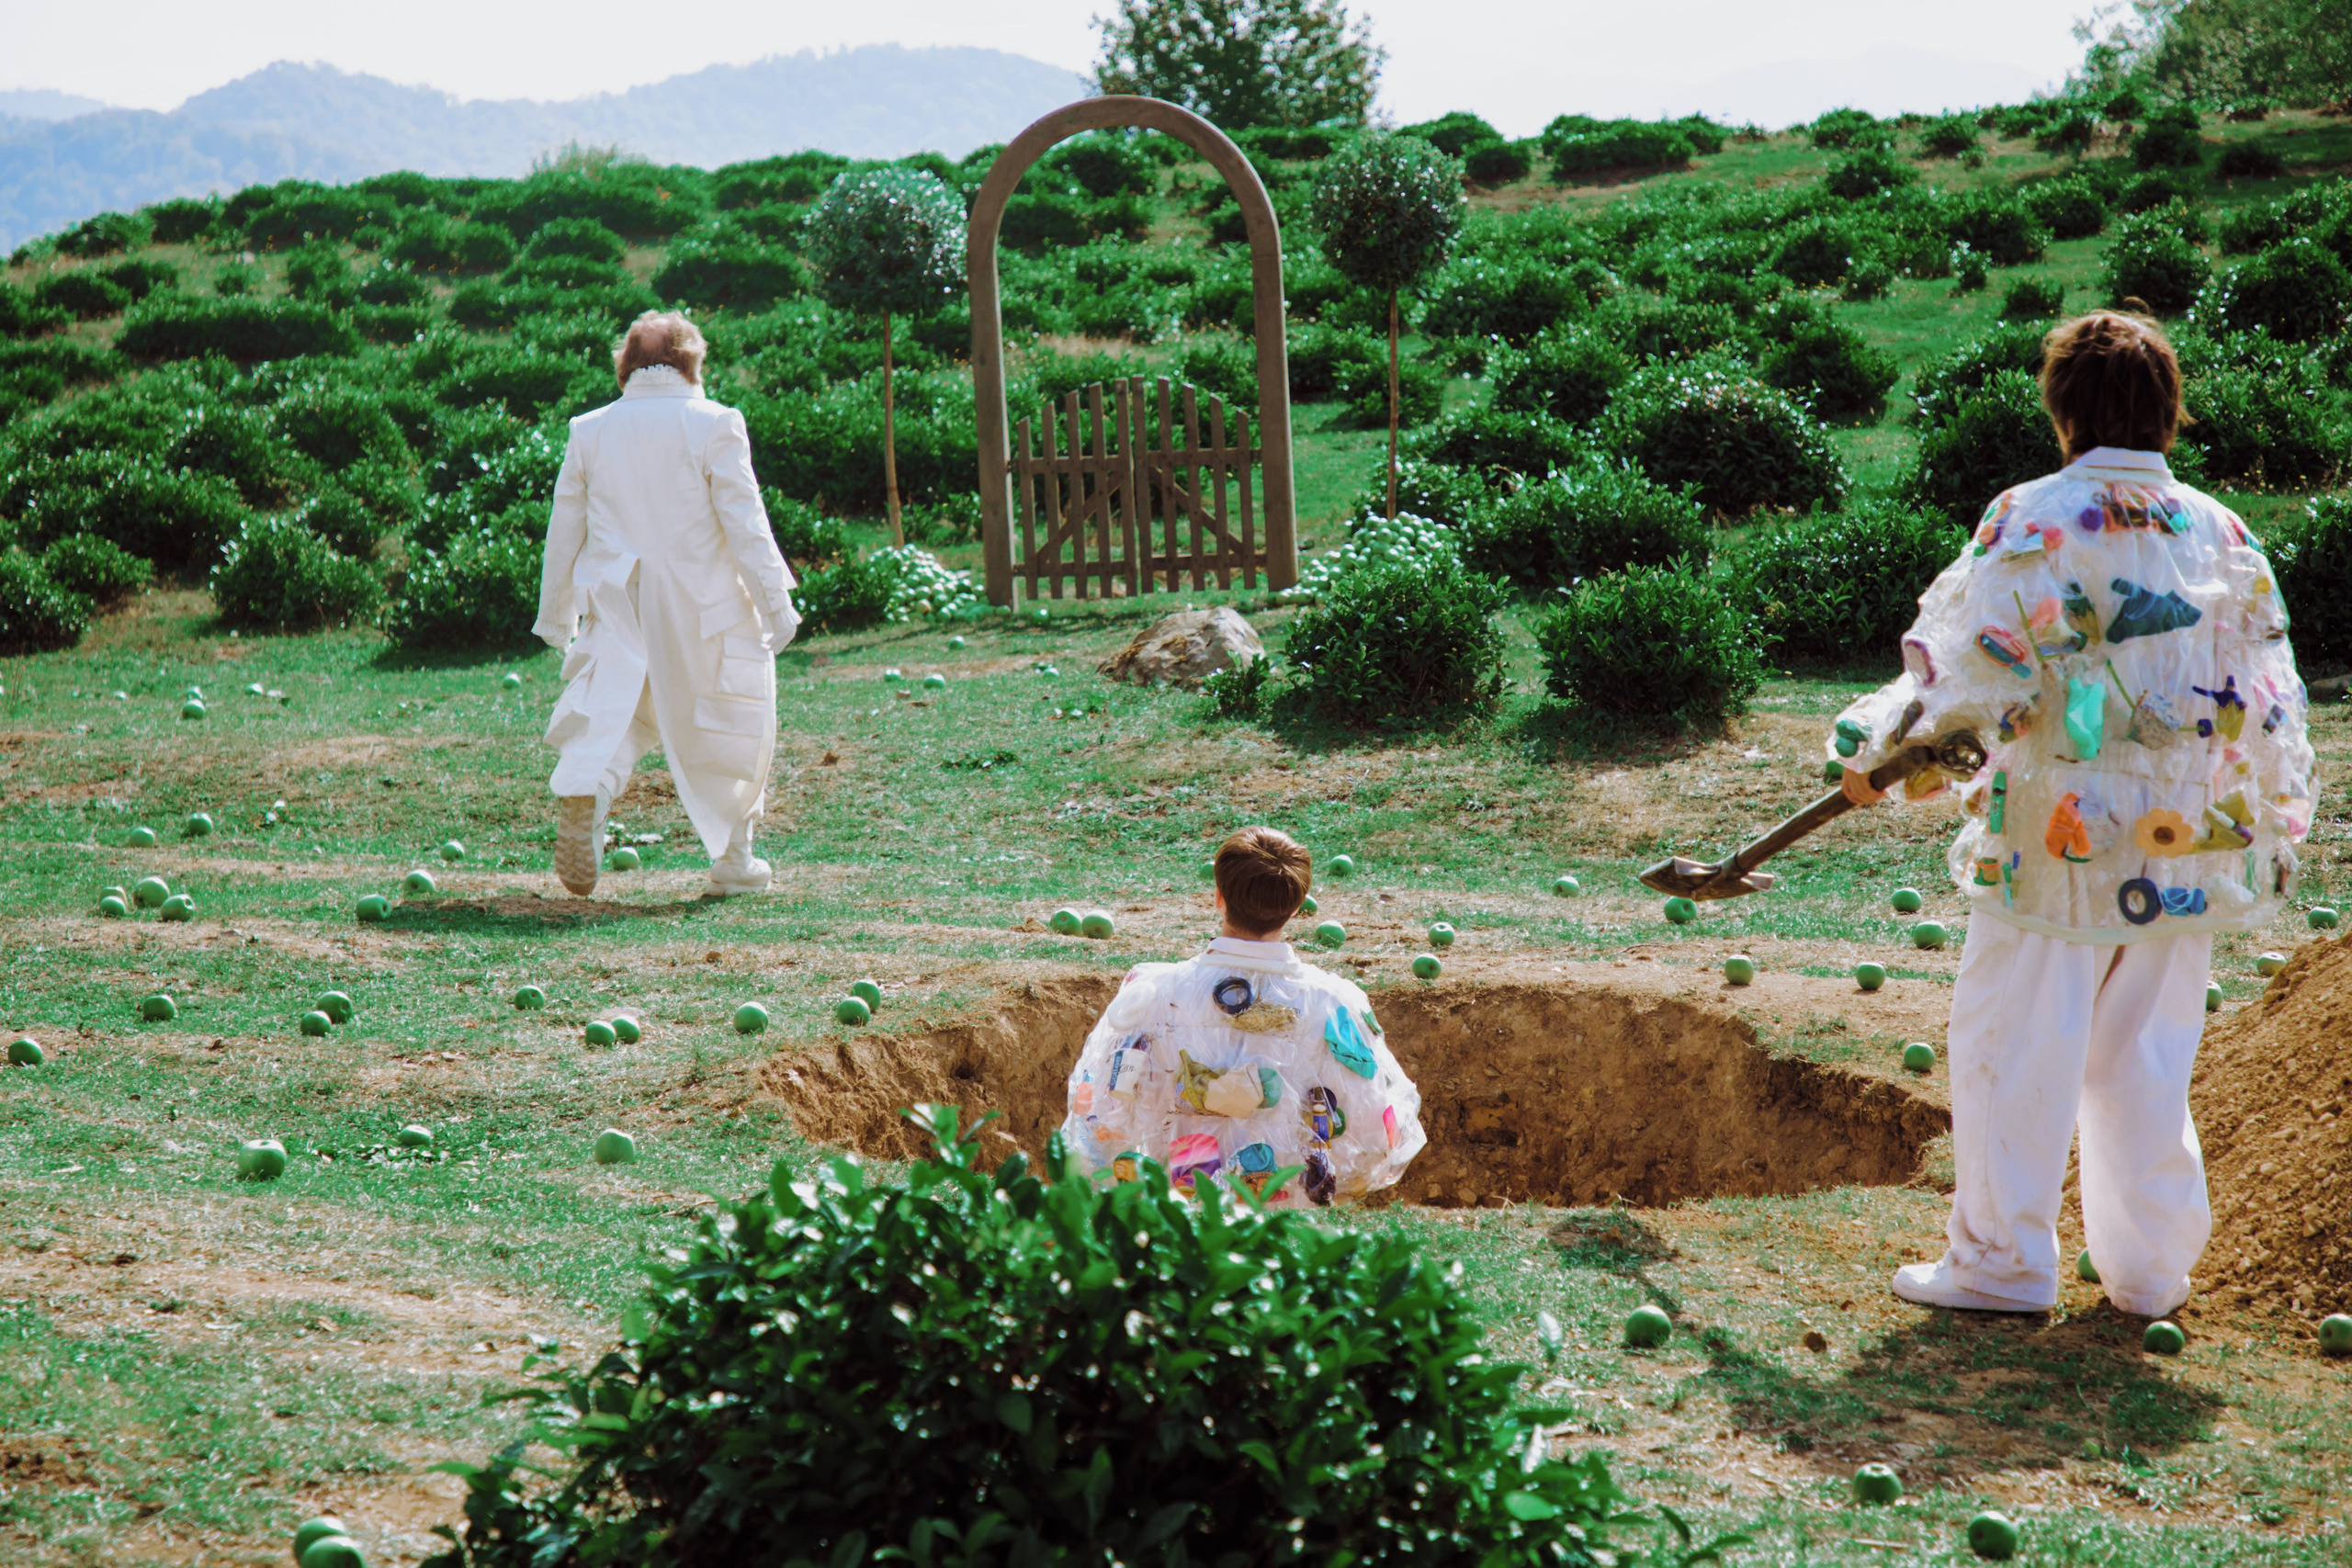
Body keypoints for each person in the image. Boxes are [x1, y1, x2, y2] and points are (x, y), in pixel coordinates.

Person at [1831, 310, 2314, 1317]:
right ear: (2167, 415)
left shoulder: (2034, 518)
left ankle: (2000, 1266)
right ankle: (2147, 1276)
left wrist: (1876, 759)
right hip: (2188, 843)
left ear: (2061, 410)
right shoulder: (2219, 530)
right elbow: (2269, 697)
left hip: (2052, 842)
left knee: (2015, 1042)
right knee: (2146, 1056)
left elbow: (1972, 672)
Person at [534, 311, 801, 897]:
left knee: (618, 714)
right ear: (690, 362)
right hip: (706, 609)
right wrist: (776, 605)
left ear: (626, 365)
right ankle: (735, 861)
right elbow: (745, 523)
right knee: (732, 722)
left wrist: (557, 613)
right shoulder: (715, 423)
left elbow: (564, 528)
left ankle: (590, 789)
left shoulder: (590, 429)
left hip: (618, 603)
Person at [1058, 827, 1426, 1205]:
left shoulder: (1154, 991)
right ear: (1297, 908)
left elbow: (1098, 1118)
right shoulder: (1332, 1000)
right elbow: (1373, 1136)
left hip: (1176, 1214)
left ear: (1218, 897)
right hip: (1287, 1220)